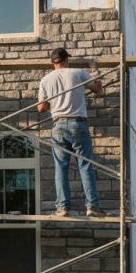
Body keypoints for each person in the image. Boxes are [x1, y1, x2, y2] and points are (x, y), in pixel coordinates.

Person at [37, 47, 105, 217]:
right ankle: (92, 206)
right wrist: (99, 84)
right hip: (78, 124)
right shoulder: (78, 73)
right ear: (66, 60)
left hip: (58, 125)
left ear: (53, 63)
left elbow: (41, 108)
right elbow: (97, 90)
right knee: (85, 165)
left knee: (61, 167)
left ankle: (62, 207)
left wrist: (54, 101)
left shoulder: (45, 80)